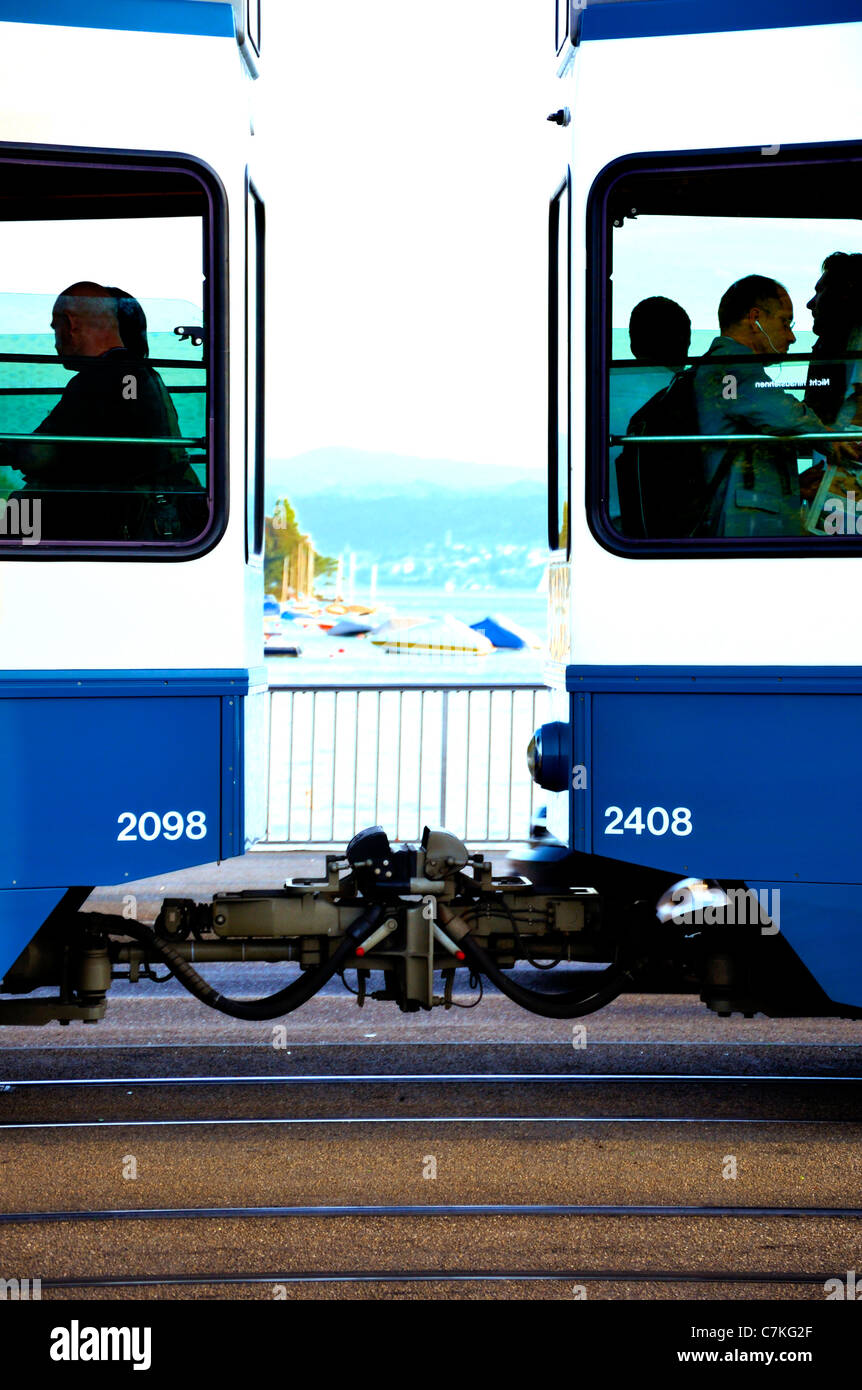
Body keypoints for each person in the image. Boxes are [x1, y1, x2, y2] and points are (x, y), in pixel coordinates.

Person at [6, 281, 202, 541]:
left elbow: (36, 453)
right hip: (153, 516)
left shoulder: (101, 379)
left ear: (71, 323)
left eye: (56, 328)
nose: (55, 342)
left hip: (120, 522)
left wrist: (9, 448)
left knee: (16, 518)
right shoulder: (141, 374)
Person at [692, 275, 848, 537]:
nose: (791, 337)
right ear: (755, 319)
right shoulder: (731, 364)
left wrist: (793, 487)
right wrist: (831, 438)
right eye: (785, 322)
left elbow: (743, 456)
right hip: (745, 525)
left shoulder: (727, 369)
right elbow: (783, 415)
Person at [609, 297, 691, 526]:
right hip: (654, 526)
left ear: (633, 343)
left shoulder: (595, 388)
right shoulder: (681, 393)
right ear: (683, 345)